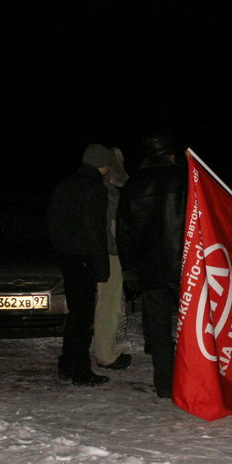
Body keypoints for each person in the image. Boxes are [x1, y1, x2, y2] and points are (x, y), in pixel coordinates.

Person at [116, 132, 188, 398]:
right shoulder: (184, 179)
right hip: (184, 266)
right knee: (191, 324)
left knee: (158, 330)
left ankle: (165, 384)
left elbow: (123, 232)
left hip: (149, 269)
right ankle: (193, 378)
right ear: (171, 152)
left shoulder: (134, 184)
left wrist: (130, 268)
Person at [47, 144, 112, 386]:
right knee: (83, 317)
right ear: (103, 164)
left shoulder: (66, 184)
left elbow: (52, 221)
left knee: (75, 314)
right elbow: (95, 231)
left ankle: (68, 362)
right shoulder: (94, 188)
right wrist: (101, 266)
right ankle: (81, 371)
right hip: (83, 258)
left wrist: (62, 250)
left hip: (68, 256)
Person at [94, 147, 132, 371]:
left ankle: (104, 351)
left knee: (104, 304)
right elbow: (110, 229)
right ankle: (106, 354)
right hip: (108, 255)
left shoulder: (95, 188)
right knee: (109, 305)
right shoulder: (108, 192)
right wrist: (118, 251)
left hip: (98, 254)